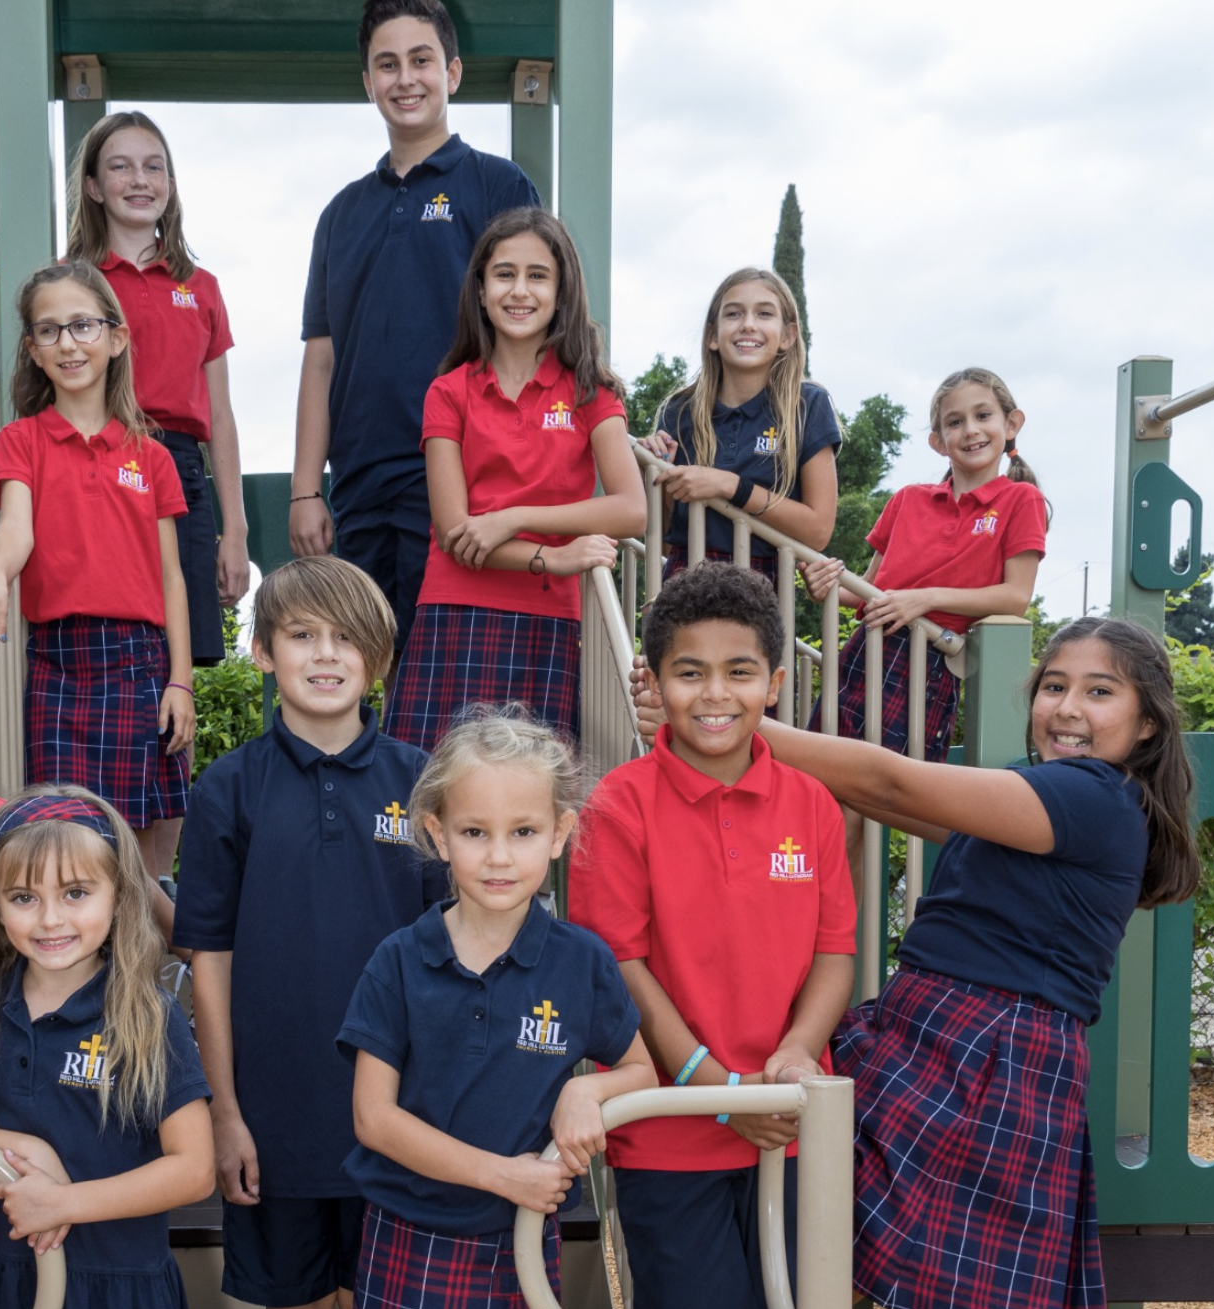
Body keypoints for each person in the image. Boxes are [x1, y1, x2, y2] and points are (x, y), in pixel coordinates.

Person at [755, 616, 1199, 1309]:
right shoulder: (1046, 797)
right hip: (942, 1028)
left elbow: (890, 778)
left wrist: (738, 726)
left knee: (819, 1263)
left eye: (1099, 692)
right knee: (815, 1257)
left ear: (1147, 721)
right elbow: (901, 807)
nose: (1067, 708)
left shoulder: (1089, 795)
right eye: (1054, 686)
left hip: (984, 1050)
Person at [568, 563, 855, 1309]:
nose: (714, 693)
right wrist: (712, 1086)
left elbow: (836, 950)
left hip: (795, 1131)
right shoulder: (618, 807)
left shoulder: (811, 805)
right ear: (654, 683)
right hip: (670, 1137)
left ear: (774, 680)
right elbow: (620, 963)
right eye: (689, 672)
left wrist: (799, 1054)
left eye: (739, 671)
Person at [175, 556, 441, 1309]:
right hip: (275, 1115)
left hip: (401, 1111)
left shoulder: (423, 782)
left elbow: (456, 944)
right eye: (301, 636)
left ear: (378, 660)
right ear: (262, 654)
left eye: (346, 639)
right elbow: (207, 960)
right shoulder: (226, 789)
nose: (325, 656)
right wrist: (224, 1111)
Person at [338, 707, 656, 1309]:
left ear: (561, 833)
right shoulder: (397, 962)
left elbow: (640, 1071)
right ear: (437, 835)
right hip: (409, 1237)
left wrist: (586, 1091)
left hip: (517, 1245)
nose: (500, 856)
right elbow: (373, 1119)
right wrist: (502, 1176)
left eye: (524, 832)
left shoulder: (583, 963)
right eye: (475, 833)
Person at [0, 788, 215, 1309]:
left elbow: (194, 1170)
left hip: (115, 1299)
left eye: (76, 894)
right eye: (24, 898)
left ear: (118, 896)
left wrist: (65, 1203)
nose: (51, 920)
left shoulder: (147, 1015)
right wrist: (19, 1149)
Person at [290, 0, 539, 667]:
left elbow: (538, 320)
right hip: (359, 484)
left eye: (422, 60)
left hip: (462, 479)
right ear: (367, 82)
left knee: (451, 679)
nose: (406, 79)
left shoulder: (497, 184)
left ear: (453, 72)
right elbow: (321, 360)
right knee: (374, 670)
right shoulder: (340, 214)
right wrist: (306, 490)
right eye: (387, 64)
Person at [0, 262, 195, 878]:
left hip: (141, 663)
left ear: (116, 339)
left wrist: (181, 680)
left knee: (140, 858)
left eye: (83, 325)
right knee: (66, 842)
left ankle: (156, 970)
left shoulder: (153, 455)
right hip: (59, 663)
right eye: (49, 330)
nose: (67, 342)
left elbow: (173, 579)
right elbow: (15, 528)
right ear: (33, 351)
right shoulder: (21, 441)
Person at [384, 206, 644, 750]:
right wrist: (551, 556)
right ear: (480, 290)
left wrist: (510, 519)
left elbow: (629, 508)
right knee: (427, 795)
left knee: (532, 802)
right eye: (504, 274)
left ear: (561, 291)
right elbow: (458, 534)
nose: (519, 291)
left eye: (537, 275)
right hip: (452, 612)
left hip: (548, 619)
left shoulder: (590, 389)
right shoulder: (448, 392)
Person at [67, 109, 250, 882]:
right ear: (93, 184)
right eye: (122, 165)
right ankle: (97, 873)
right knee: (114, 660)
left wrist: (234, 530)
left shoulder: (198, 286)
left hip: (180, 470)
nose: (140, 180)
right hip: (98, 465)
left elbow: (223, 416)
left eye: (155, 166)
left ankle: (156, 887)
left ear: (171, 185)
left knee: (174, 678)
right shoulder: (73, 282)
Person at [801, 366, 1047, 892]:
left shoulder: (1020, 501)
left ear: (1012, 423)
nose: (971, 430)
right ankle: (825, 942)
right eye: (954, 422)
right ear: (938, 441)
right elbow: (864, 590)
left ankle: (845, 951)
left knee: (869, 804)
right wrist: (826, 579)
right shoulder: (908, 500)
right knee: (823, 801)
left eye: (983, 416)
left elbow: (1014, 597)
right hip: (864, 653)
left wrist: (927, 600)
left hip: (925, 664)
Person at [642, 267, 839, 583]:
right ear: (712, 336)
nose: (748, 324)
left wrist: (730, 486)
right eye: (734, 314)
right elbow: (666, 535)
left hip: (764, 584)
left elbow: (817, 532)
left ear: (788, 336)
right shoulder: (679, 411)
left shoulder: (808, 404)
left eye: (764, 313)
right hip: (685, 576)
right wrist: (652, 472)